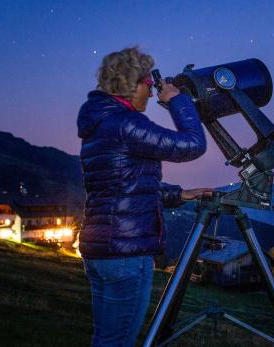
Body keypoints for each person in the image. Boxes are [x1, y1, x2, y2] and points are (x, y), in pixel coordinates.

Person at [76, 46, 212, 347]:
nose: (152, 94)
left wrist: (179, 194)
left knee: (106, 339)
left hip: (101, 251)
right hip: (125, 253)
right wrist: (179, 101)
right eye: (149, 85)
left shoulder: (99, 126)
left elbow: (123, 187)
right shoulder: (126, 124)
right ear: (130, 83)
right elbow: (192, 144)